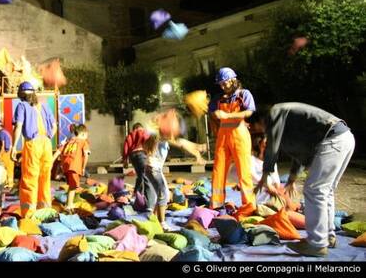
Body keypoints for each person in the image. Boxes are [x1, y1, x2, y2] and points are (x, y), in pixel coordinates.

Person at [249, 102, 355, 257]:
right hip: (344, 138)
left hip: (334, 139)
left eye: (253, 127)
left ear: (260, 121)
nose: (255, 131)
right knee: (325, 191)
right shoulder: (288, 125)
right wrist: (291, 180)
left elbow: (273, 146)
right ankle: (327, 236)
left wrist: (265, 176)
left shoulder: (275, 112)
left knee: (314, 190)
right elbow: (300, 154)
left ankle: (317, 244)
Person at [144, 110, 205, 228]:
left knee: (161, 194)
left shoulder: (161, 137)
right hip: (153, 168)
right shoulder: (159, 136)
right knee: (164, 194)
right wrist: (196, 148)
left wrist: (197, 151)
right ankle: (162, 223)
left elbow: (181, 143)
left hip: (153, 168)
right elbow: (181, 143)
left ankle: (155, 219)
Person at [208, 67, 256, 210]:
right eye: (220, 84)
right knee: (218, 170)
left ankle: (249, 205)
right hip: (223, 136)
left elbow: (249, 112)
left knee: (244, 171)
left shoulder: (244, 94)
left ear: (232, 80)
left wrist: (227, 116)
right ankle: (216, 204)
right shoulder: (218, 98)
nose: (222, 86)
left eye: (224, 83)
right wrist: (213, 114)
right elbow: (211, 112)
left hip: (239, 135)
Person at [10, 81, 56, 218]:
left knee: (30, 178)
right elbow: (54, 126)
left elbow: (18, 126)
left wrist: (13, 146)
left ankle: (29, 215)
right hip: (47, 144)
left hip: (33, 144)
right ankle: (45, 212)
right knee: (45, 178)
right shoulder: (44, 106)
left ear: (21, 94)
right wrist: (47, 137)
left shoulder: (21, 106)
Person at [52, 124, 90, 212]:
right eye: (86, 136)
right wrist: (83, 168)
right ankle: (69, 205)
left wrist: (51, 161)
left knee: (71, 186)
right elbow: (86, 155)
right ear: (83, 134)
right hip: (75, 166)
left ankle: (68, 203)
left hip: (65, 166)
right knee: (73, 186)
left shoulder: (69, 141)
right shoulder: (83, 142)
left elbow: (58, 151)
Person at [122, 122, 150, 196]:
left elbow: (125, 147)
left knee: (140, 175)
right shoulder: (143, 132)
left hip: (133, 156)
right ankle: (147, 195)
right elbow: (148, 141)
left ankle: (137, 193)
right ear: (141, 128)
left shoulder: (130, 135)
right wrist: (150, 154)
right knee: (145, 175)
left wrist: (125, 160)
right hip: (141, 154)